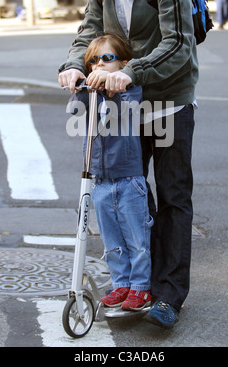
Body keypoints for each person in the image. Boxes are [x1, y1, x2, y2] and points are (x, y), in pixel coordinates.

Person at [58, 0, 198, 329]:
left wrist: (130, 71)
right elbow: (87, 32)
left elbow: (178, 45)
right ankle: (142, 283)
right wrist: (74, 65)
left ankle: (169, 296)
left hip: (168, 102)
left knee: (173, 197)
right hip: (123, 107)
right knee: (135, 196)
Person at [67, 34, 152, 311]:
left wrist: (108, 88)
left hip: (129, 180)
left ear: (123, 64)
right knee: (112, 240)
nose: (99, 64)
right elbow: (74, 112)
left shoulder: (130, 91)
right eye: (93, 61)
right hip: (99, 181)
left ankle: (140, 288)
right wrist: (79, 88)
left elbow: (121, 111)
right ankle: (121, 283)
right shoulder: (91, 95)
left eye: (107, 58)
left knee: (136, 239)